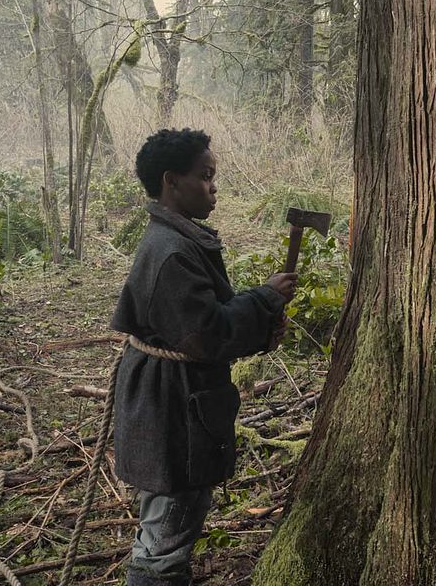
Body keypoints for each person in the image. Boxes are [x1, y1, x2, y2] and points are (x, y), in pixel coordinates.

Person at [111, 128, 297, 586]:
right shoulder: (171, 253)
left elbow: (202, 325)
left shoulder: (176, 240)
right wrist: (263, 300)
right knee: (165, 538)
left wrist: (258, 320)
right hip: (171, 407)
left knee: (166, 526)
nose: (214, 187)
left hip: (173, 398)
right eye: (205, 177)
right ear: (172, 182)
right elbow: (206, 335)